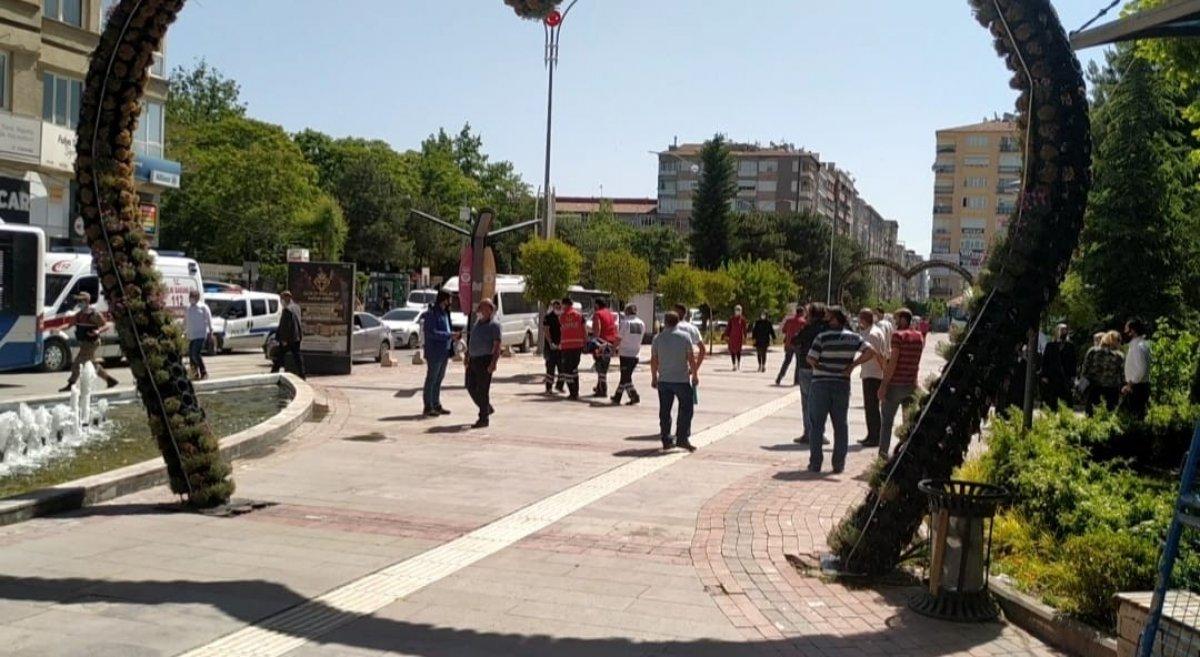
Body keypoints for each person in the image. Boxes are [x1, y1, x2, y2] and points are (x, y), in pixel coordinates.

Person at [805, 305, 876, 474]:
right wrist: (852, 365)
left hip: (821, 384)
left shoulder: (822, 337)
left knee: (816, 425)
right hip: (842, 384)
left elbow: (810, 358)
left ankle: (815, 463)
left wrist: (820, 366)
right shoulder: (853, 337)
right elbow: (870, 351)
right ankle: (838, 464)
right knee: (840, 425)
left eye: (828, 316)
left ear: (835, 318)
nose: (825, 319)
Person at [877, 308, 925, 457]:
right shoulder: (919, 337)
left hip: (895, 386)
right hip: (911, 385)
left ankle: (883, 456)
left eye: (896, 318)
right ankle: (905, 455)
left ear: (904, 319)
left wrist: (883, 385)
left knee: (886, 423)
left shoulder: (898, 336)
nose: (894, 322)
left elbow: (893, 363)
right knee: (907, 425)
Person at [651, 311, 700, 452]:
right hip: (681, 380)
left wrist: (654, 377)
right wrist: (695, 375)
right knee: (686, 409)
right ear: (678, 321)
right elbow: (691, 359)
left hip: (664, 380)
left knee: (665, 411)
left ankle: (666, 439)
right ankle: (682, 438)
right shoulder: (685, 337)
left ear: (665, 322)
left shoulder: (658, 338)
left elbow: (654, 360)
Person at [59, 291, 119, 392]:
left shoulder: (94, 314)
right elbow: (69, 325)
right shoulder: (79, 315)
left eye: (80, 301)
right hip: (84, 342)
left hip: (92, 343)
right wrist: (57, 329)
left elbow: (106, 325)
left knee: (77, 363)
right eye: (78, 301)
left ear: (86, 301)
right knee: (91, 363)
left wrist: (97, 331)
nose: (79, 303)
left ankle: (71, 384)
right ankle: (110, 380)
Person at [792, 302, 828, 445]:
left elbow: (795, 340)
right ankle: (820, 433)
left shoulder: (808, 328)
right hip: (823, 368)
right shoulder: (827, 329)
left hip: (806, 367)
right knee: (821, 402)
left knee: (807, 401)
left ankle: (809, 433)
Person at [465, 299, 502, 428]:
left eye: (484, 308)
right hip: (473, 360)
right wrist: (467, 355)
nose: (481, 310)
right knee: (469, 385)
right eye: (480, 308)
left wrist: (493, 363)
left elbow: (497, 346)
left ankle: (483, 418)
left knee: (483, 390)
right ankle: (486, 407)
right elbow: (472, 341)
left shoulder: (494, 325)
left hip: (485, 360)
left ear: (491, 310)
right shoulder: (477, 323)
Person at [856, 308, 889, 448]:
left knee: (872, 407)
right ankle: (871, 435)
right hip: (870, 373)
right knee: (870, 407)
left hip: (873, 374)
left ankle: (875, 437)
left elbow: (877, 355)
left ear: (863, 319)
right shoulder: (872, 331)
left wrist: (884, 372)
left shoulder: (873, 334)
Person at [422, 290, 456, 417]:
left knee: (439, 379)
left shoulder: (445, 313)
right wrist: (449, 335)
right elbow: (431, 333)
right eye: (449, 298)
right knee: (432, 379)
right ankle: (428, 406)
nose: (451, 301)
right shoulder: (432, 313)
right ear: (444, 299)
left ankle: (436, 404)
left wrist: (453, 336)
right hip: (434, 352)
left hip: (445, 351)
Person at [1079, 330, 1124, 414]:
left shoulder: (1092, 351)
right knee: (1110, 413)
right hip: (1111, 389)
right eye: (1119, 340)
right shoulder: (1119, 356)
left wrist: (1082, 386)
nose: (1120, 343)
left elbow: (1084, 370)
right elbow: (1122, 374)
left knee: (1091, 414)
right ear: (1114, 341)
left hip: (1094, 387)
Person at [611, 304, 646, 405]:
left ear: (627, 311)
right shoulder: (641, 323)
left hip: (625, 353)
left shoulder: (625, 322)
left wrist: (613, 349)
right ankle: (617, 396)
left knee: (626, 378)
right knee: (625, 376)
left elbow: (619, 338)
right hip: (635, 353)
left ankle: (634, 396)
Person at [1039, 324, 1077, 409]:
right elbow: (1045, 361)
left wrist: (1073, 377)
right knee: (1051, 400)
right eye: (1061, 330)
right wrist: (1044, 375)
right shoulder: (1050, 346)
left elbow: (1073, 362)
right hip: (1052, 377)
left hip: (1065, 377)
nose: (1063, 332)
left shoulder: (1070, 347)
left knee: (1065, 402)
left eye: (1065, 330)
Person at [271, 290, 307, 379]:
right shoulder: (297, 307)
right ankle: (302, 374)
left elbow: (285, 326)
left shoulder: (287, 310)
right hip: (297, 336)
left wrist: (284, 339)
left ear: (287, 298)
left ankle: (274, 372)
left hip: (289, 338)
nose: (281, 301)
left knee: (280, 355)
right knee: (297, 356)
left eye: (282, 299)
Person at [557, 297, 587, 399]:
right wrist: (585, 343)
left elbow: (560, 331)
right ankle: (575, 392)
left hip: (566, 347)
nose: (561, 307)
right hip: (577, 346)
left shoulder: (562, 317)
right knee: (574, 370)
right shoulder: (579, 315)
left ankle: (573, 392)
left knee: (567, 370)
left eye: (562, 305)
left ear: (565, 304)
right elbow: (584, 330)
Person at [1122, 317, 1152, 419]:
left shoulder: (1137, 347)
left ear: (1133, 331)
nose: (1124, 332)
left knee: (1135, 418)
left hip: (1137, 388)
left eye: (1126, 329)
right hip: (1139, 386)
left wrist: (1130, 385)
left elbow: (1141, 369)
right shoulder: (1141, 344)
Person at [591, 297, 620, 398]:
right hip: (610, 342)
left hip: (601, 343)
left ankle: (602, 389)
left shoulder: (597, 314)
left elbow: (597, 329)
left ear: (597, 304)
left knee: (600, 367)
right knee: (603, 366)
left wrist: (595, 341)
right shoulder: (610, 314)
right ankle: (599, 387)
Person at [185, 290, 214, 381]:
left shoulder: (203, 307)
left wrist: (211, 331)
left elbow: (209, 319)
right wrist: (182, 331)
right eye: (190, 297)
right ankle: (195, 373)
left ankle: (203, 372)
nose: (191, 299)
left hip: (200, 335)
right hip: (191, 335)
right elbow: (185, 320)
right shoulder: (188, 308)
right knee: (191, 355)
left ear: (197, 298)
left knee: (195, 353)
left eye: (193, 297)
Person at [776, 307, 806, 386]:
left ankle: (779, 377)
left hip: (788, 344)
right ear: (802, 313)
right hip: (798, 345)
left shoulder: (789, 320)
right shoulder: (803, 322)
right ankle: (796, 380)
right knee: (798, 363)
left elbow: (784, 330)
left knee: (786, 361)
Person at [673, 303, 707, 370]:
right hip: (685, 370)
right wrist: (695, 368)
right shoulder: (692, 328)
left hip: (667, 370)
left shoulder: (669, 328)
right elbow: (702, 349)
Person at [541, 299, 563, 394]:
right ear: (553, 307)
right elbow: (546, 331)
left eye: (559, 307)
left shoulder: (563, 317)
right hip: (551, 347)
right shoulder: (548, 317)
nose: (558, 308)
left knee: (562, 368)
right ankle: (548, 388)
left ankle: (559, 386)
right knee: (550, 368)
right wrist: (551, 343)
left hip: (561, 346)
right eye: (556, 307)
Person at [723, 305, 748, 371]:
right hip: (732, 338)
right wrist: (726, 335)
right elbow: (728, 328)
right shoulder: (731, 319)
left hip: (739, 338)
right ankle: (734, 365)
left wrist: (745, 337)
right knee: (732, 351)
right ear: (734, 311)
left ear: (741, 311)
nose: (737, 311)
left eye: (739, 310)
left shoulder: (742, 319)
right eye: (737, 310)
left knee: (738, 351)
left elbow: (745, 329)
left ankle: (738, 363)